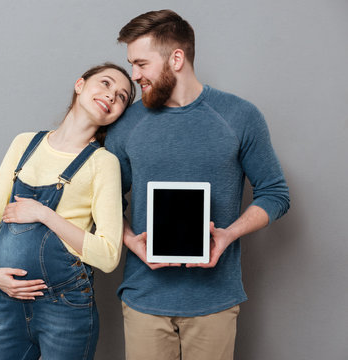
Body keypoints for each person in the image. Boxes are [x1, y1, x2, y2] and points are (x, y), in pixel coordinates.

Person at [104, 10, 290, 360]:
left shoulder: (239, 116)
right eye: (131, 64)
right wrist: (132, 241)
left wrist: (229, 234)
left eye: (141, 64)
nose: (134, 76)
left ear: (176, 58)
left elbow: (275, 193)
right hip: (144, 299)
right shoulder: (126, 124)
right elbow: (105, 203)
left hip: (215, 300)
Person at [0, 63, 135, 360]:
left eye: (122, 96)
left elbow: (109, 255)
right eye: (106, 84)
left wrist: (44, 214)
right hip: (9, 303)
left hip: (66, 309)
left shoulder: (103, 162)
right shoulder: (25, 144)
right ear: (80, 85)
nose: (112, 96)